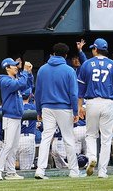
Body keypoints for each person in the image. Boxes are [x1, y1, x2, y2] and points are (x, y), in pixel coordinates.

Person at [33, 43, 81, 179]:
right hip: (64, 108)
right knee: (68, 139)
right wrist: (76, 111)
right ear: (65, 55)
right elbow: (73, 94)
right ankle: (74, 171)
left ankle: (40, 170)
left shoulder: (42, 69)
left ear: (53, 53)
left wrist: (38, 110)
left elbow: (37, 93)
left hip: (47, 107)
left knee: (46, 137)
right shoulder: (69, 70)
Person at [78, 40, 113, 178]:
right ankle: (102, 171)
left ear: (96, 49)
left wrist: (79, 106)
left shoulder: (87, 64)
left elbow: (81, 89)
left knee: (91, 135)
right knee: (106, 138)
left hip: (92, 102)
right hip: (108, 102)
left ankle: (92, 158)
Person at [0, 58, 34, 180]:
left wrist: (29, 73)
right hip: (9, 117)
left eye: (16, 65)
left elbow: (27, 85)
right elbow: (20, 84)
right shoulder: (4, 80)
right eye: (13, 66)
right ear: (7, 68)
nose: (16, 67)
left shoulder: (15, 79)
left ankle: (11, 172)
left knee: (14, 146)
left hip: (17, 116)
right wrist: (25, 72)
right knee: (8, 145)